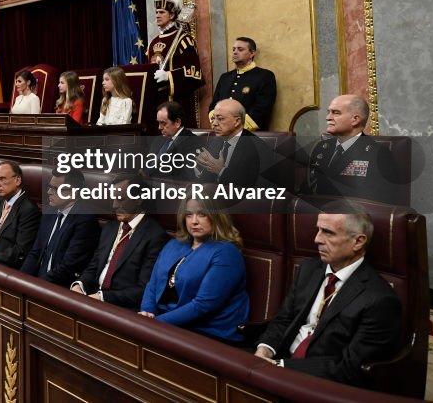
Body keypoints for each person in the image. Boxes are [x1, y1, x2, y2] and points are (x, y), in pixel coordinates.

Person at [254, 202, 402, 386]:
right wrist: (264, 351)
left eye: (328, 232)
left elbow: (349, 366)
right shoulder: (308, 269)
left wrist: (280, 367)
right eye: (318, 230)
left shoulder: (380, 299)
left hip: (322, 383)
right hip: (279, 361)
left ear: (358, 241)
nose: (317, 239)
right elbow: (284, 319)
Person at [139, 197, 249, 342]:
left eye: (202, 214)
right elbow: (152, 284)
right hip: (166, 323)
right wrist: (147, 313)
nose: (194, 221)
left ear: (217, 216)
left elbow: (203, 306)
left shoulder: (227, 253)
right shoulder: (174, 244)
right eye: (189, 214)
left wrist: (155, 324)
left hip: (207, 333)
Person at [72, 176, 169, 309]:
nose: (114, 205)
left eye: (120, 199)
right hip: (93, 298)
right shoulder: (110, 228)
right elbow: (94, 266)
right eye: (113, 198)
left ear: (139, 199)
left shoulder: (155, 236)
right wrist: (80, 285)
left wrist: (103, 297)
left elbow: (144, 289)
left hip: (121, 308)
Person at [301, 95, 399, 204]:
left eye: (336, 113)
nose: (328, 117)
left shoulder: (378, 154)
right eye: (328, 112)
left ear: (355, 119)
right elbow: (306, 191)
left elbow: (381, 202)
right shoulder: (321, 148)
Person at [20, 168, 99, 287]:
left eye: (55, 189)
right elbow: (35, 252)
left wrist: (38, 285)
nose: (49, 192)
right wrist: (21, 280)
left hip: (59, 287)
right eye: (49, 186)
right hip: (38, 282)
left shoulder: (85, 219)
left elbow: (69, 266)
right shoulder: (49, 212)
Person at [147, 0, 204, 126]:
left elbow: (195, 73)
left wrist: (169, 76)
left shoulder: (184, 40)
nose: (157, 15)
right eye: (156, 12)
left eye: (162, 12)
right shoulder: (152, 43)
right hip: (156, 101)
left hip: (177, 101)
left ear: (172, 15)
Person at [194, 98, 272, 189]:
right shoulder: (216, 142)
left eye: (220, 119)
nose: (214, 123)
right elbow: (205, 181)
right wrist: (201, 167)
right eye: (213, 118)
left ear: (237, 121)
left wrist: (220, 171)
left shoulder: (258, 148)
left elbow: (256, 189)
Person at [209, 37, 277, 130]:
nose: (235, 52)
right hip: (222, 133)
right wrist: (218, 124)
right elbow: (214, 106)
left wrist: (236, 128)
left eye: (240, 49)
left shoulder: (265, 76)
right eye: (233, 49)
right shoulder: (225, 77)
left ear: (252, 53)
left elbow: (262, 109)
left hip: (249, 135)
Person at [151, 101, 202, 180]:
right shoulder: (158, 140)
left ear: (177, 122)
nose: (159, 127)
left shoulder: (192, 141)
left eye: (163, 123)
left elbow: (186, 175)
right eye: (158, 123)